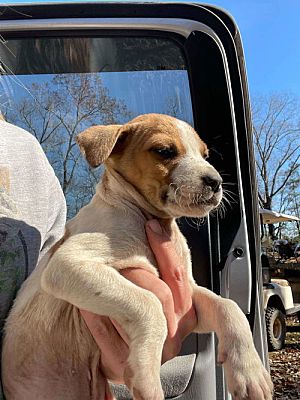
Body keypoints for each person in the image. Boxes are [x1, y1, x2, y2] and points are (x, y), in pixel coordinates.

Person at [0, 118, 197, 397]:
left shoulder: (26, 154)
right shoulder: (107, 219)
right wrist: (147, 316)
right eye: (165, 151)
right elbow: (61, 273)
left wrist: (120, 350)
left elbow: (64, 294)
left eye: (203, 155)